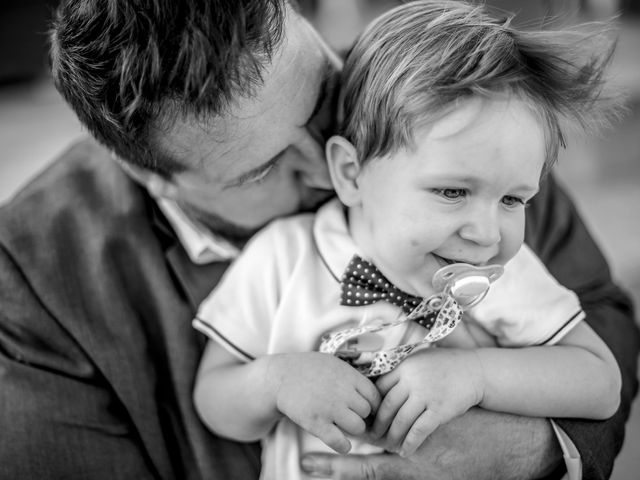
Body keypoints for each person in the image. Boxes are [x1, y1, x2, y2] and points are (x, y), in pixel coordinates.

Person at [0, 0, 637, 479]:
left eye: (324, 93)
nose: (330, 161)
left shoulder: (449, 112)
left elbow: (602, 321)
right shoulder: (32, 285)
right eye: (263, 168)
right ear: (149, 176)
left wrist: (525, 451)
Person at [190, 2, 623, 479]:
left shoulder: (496, 277)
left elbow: (600, 382)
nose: (486, 233)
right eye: (452, 192)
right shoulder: (283, 257)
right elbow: (214, 399)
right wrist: (273, 382)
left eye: (513, 200)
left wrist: (476, 375)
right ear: (352, 174)